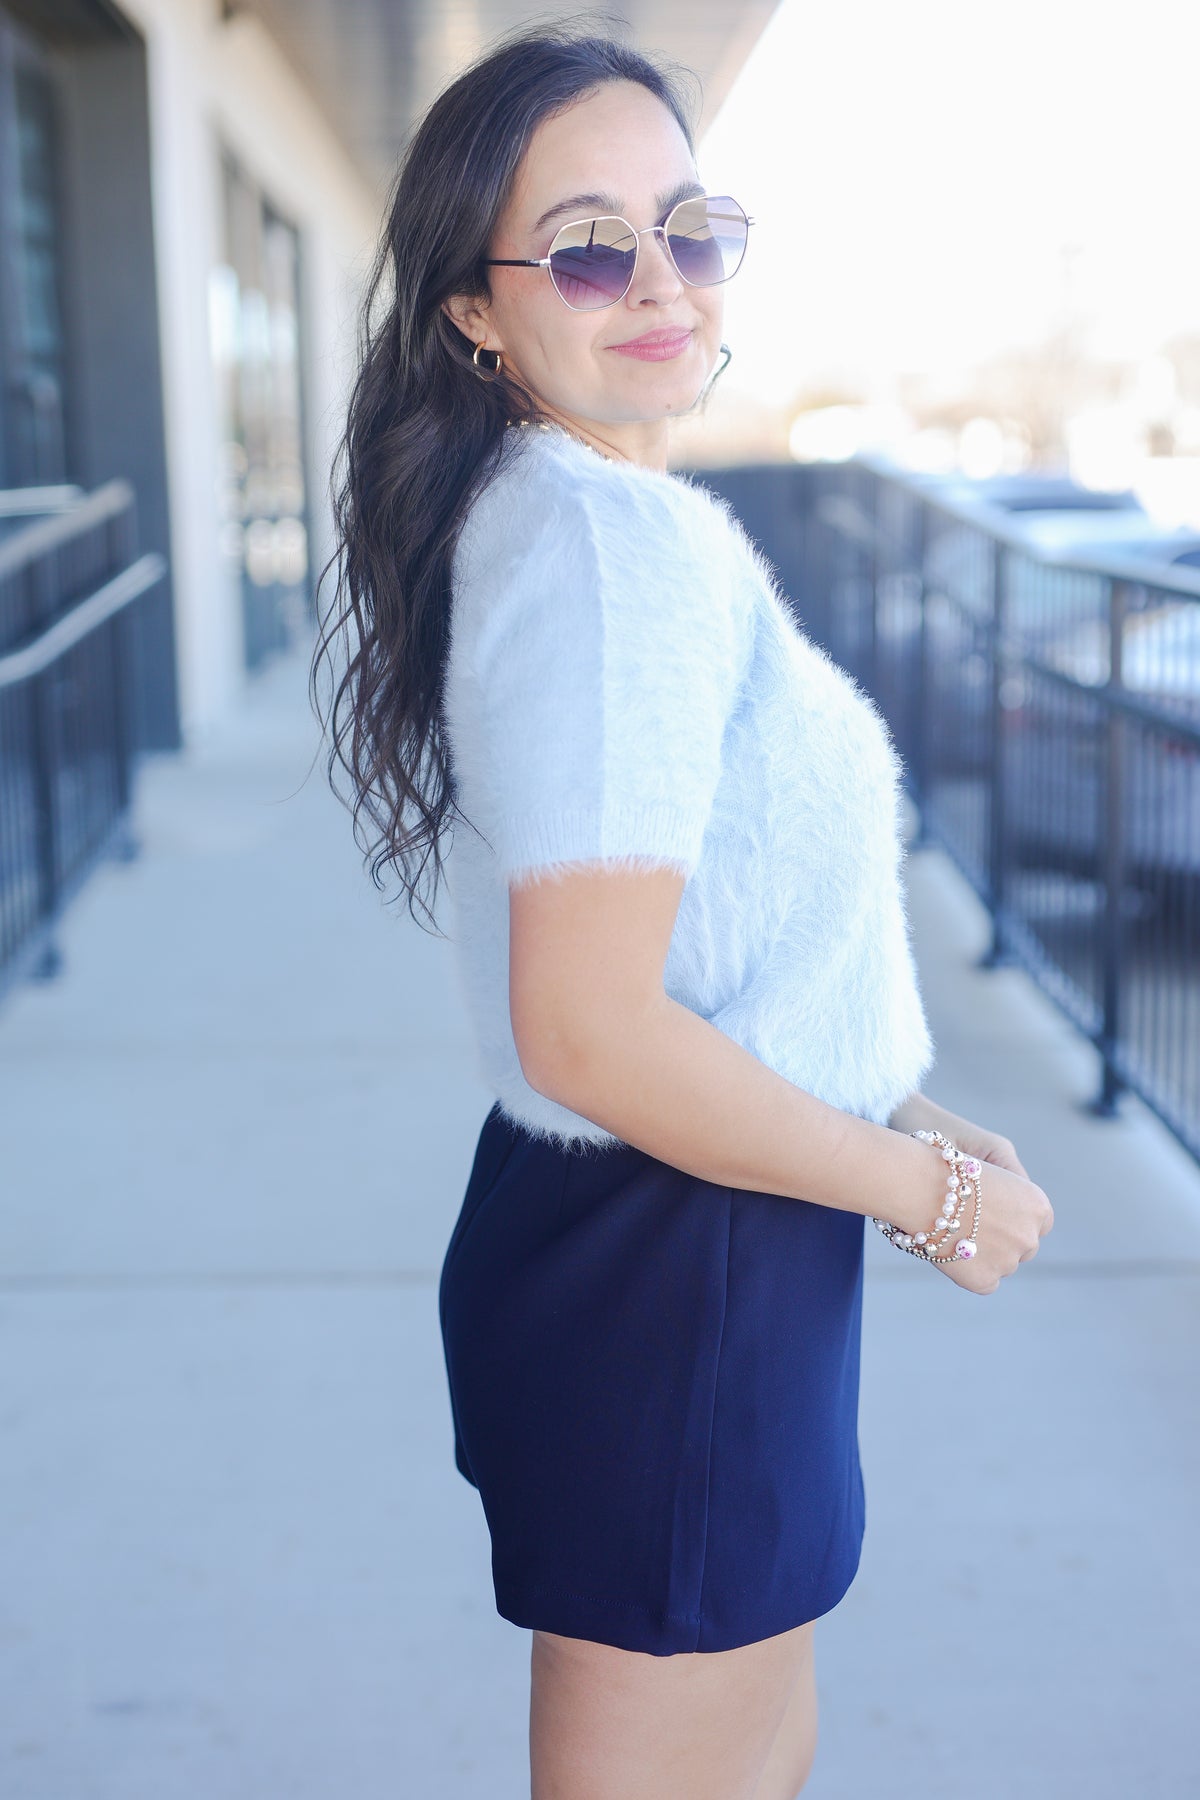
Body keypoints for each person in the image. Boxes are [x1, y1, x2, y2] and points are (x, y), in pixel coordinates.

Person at [312, 21, 1055, 1799]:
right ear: (478, 312)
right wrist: (928, 1189)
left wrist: (904, 1107)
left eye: (690, 227)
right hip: (679, 1259)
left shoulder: (566, 517)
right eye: (586, 245)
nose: (657, 280)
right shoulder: (603, 553)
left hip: (679, 1243)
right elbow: (592, 1025)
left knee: (751, 1746)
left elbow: (702, 957)